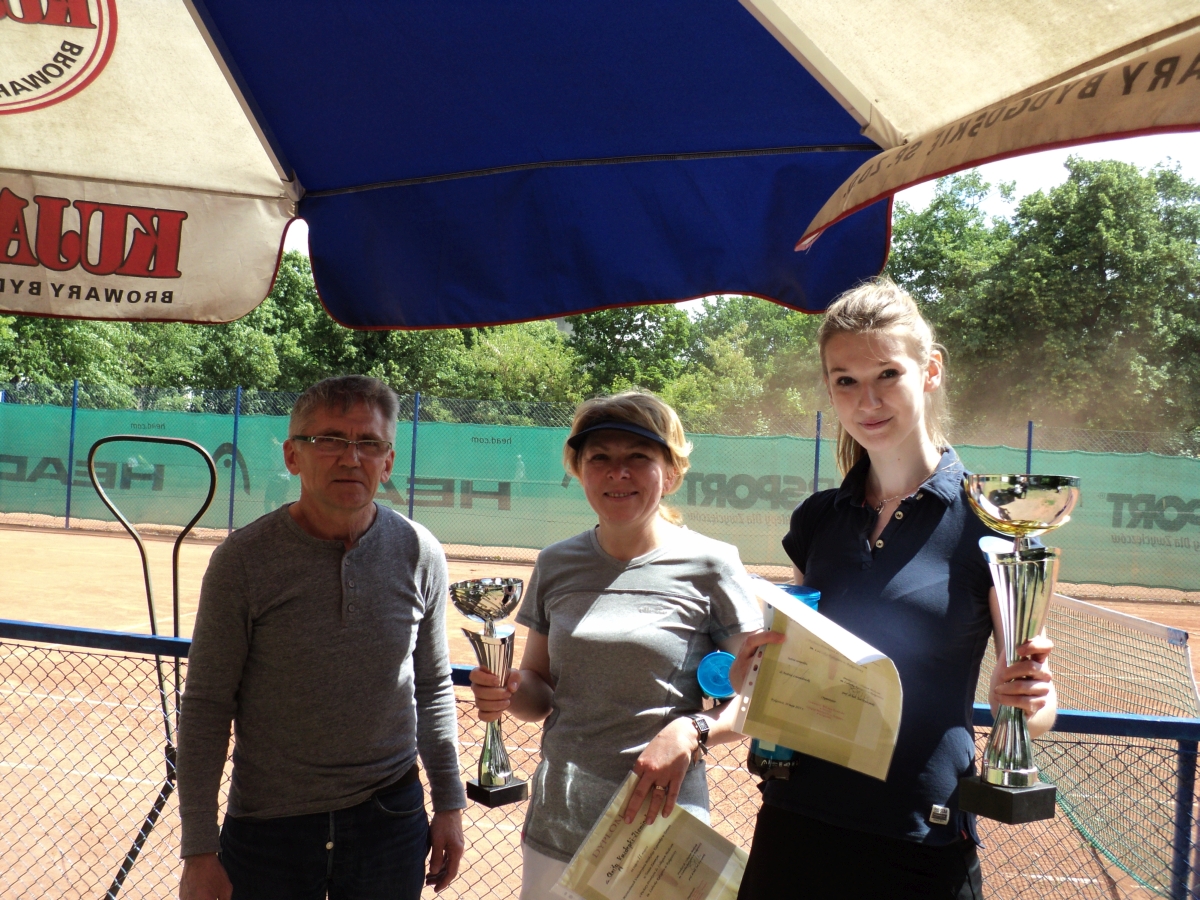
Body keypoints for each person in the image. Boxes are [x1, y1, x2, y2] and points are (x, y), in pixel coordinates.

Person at [731, 279, 1057, 899]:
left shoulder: (995, 521)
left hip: (919, 839)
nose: (868, 400)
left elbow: (1039, 706)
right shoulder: (819, 518)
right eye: (846, 380)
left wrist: (1022, 701)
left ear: (930, 371)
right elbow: (798, 661)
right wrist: (759, 673)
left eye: (887, 373)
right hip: (797, 821)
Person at [177, 376, 466, 900]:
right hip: (269, 830)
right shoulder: (242, 561)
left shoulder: (419, 552)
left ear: (388, 461)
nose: (351, 458)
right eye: (329, 439)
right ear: (293, 456)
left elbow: (432, 685)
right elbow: (207, 705)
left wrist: (449, 804)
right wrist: (198, 849)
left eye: (369, 443)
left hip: (390, 821)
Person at [469, 392, 764, 900]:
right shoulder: (556, 562)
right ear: (579, 470)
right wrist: (509, 689)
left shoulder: (712, 564)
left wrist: (692, 730)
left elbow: (762, 696)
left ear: (671, 472)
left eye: (638, 457)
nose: (617, 472)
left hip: (661, 829)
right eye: (599, 457)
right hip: (558, 825)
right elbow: (540, 692)